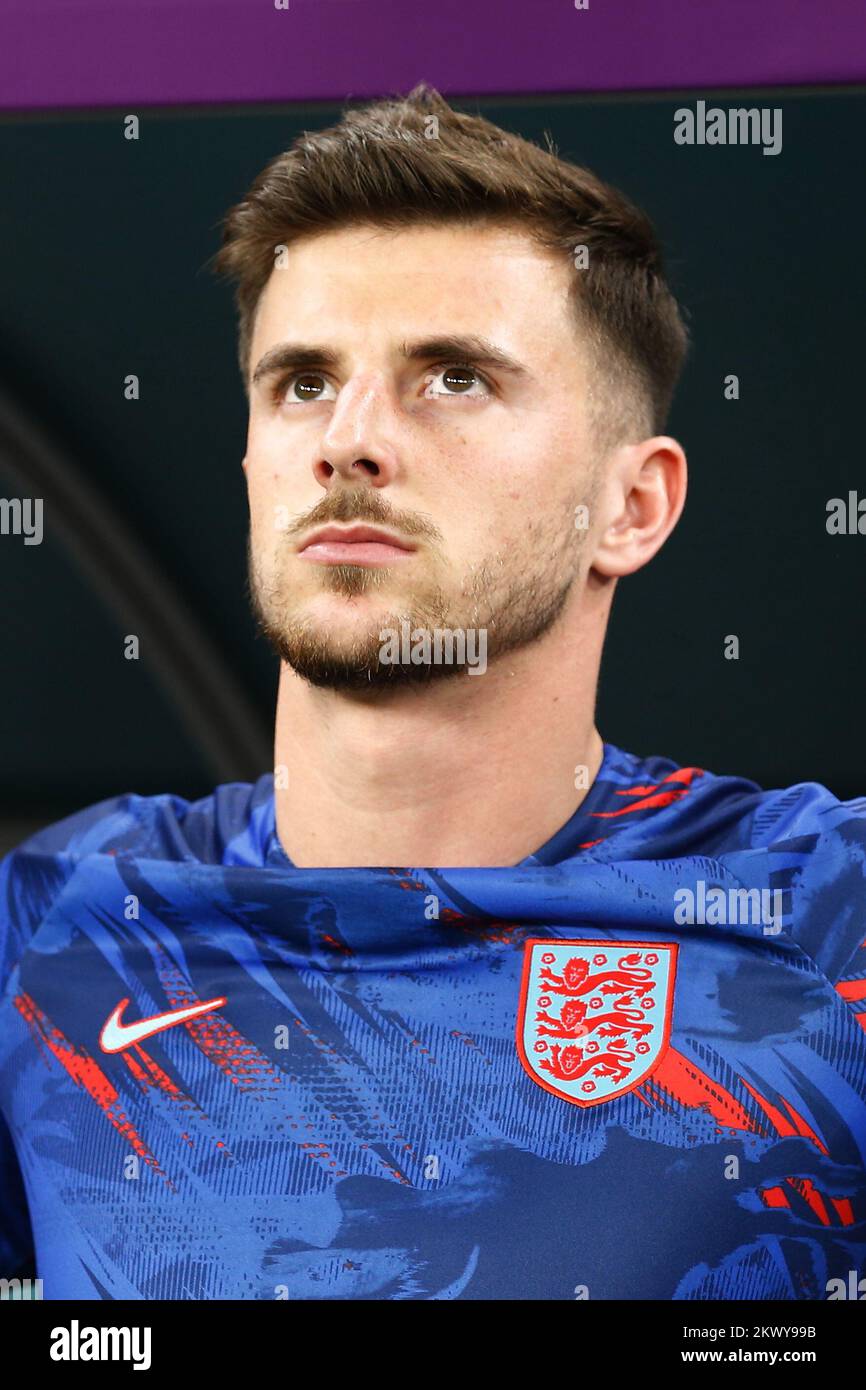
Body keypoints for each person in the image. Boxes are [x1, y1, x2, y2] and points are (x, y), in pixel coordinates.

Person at [0, 84, 863, 1302]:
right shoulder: (49, 924)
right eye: (300, 382)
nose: (346, 439)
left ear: (631, 505)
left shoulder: (829, 917)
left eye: (451, 377)